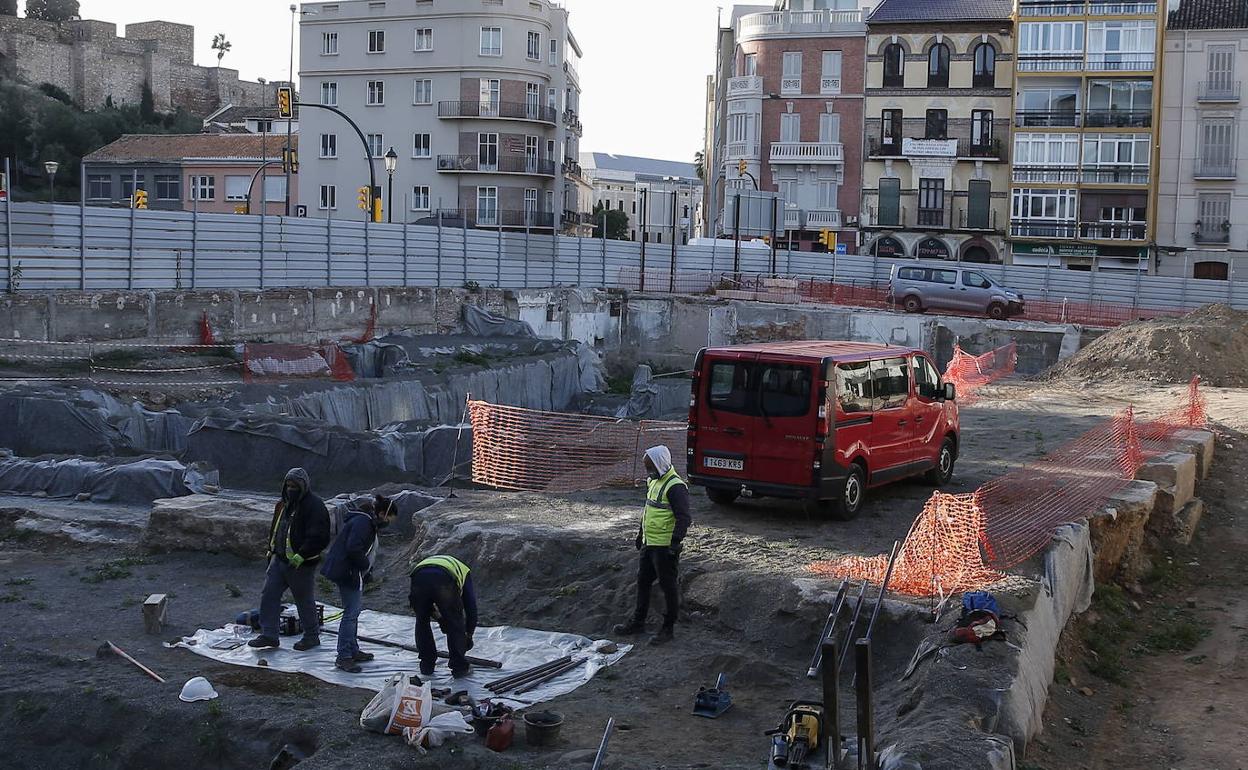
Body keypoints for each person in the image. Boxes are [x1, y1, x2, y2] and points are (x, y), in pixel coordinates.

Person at [613, 445, 692, 646]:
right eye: (647, 467)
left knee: (668, 587)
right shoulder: (653, 481)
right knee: (643, 582)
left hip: (664, 547)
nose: (648, 472)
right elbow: (648, 510)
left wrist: (675, 543)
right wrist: (641, 534)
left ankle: (668, 629)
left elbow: (684, 518)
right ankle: (638, 622)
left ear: (660, 464)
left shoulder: (676, 486)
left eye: (650, 467)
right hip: (650, 543)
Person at [248, 468, 332, 651]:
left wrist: (302, 554)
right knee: (269, 595)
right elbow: (277, 528)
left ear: (303, 486)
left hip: (301, 564)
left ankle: (311, 636)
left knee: (304, 600)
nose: (290, 489)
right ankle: (269, 634)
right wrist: (271, 549)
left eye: (294, 486)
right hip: (279, 560)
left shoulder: (315, 506)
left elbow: (320, 536)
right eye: (288, 485)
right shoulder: (283, 504)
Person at [319, 495, 398, 673]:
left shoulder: (366, 522)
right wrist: (364, 566)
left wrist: (366, 571)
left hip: (350, 571)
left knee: (353, 611)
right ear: (381, 513)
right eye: (388, 519)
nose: (387, 523)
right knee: (351, 613)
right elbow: (353, 547)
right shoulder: (363, 523)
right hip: (348, 572)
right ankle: (344, 656)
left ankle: (352, 650)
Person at [409, 555, 478, 678]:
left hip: (418, 576)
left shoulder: (445, 565)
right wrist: (468, 634)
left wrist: (441, 620)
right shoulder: (465, 572)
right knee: (455, 622)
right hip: (445, 577)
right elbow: (471, 606)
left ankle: (426, 665)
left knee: (421, 620)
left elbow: (428, 608)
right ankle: (459, 667)